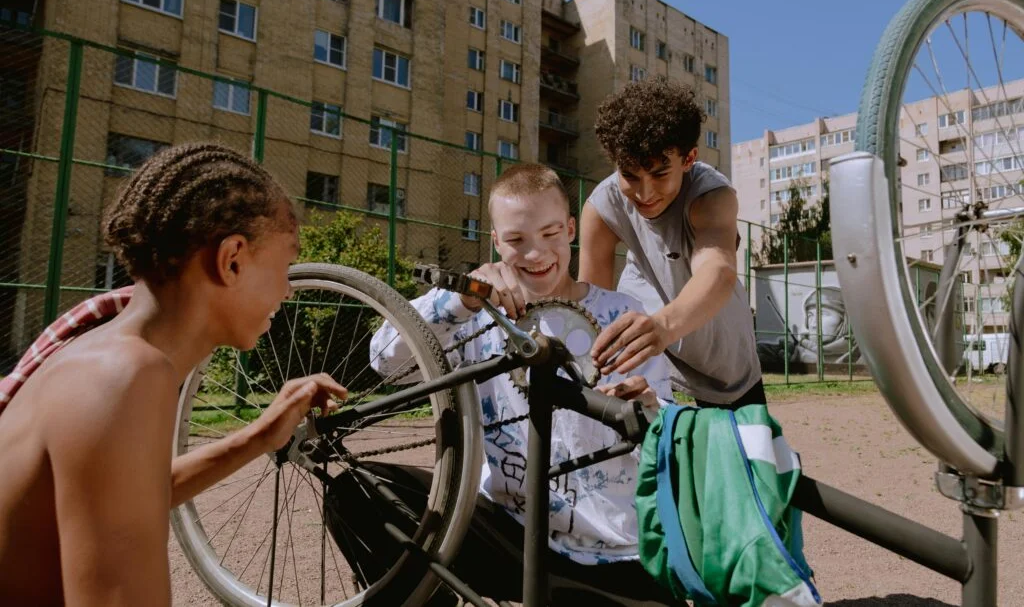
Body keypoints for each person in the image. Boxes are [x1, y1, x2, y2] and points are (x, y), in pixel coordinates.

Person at [0, 143, 347, 606]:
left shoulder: (102, 353)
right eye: (285, 264)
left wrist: (261, 435)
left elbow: (125, 498)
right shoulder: (125, 377)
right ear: (233, 260)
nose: (287, 289)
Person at [369, 163, 674, 600]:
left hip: (616, 553)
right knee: (361, 489)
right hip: (509, 536)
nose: (535, 254)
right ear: (495, 242)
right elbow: (385, 362)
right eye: (516, 240)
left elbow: (666, 446)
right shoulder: (475, 316)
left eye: (551, 234)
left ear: (571, 229)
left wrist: (646, 407)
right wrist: (459, 300)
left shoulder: (622, 314)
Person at [579, 76, 765, 408]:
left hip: (725, 368)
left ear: (689, 158)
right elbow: (592, 306)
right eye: (630, 176)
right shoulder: (601, 207)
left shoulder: (711, 196)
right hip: (656, 370)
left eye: (660, 175)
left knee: (745, 459)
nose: (644, 193)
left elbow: (718, 269)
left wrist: (663, 326)